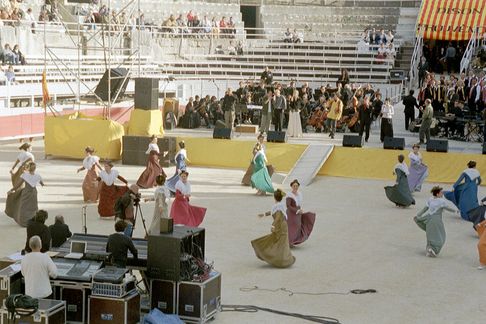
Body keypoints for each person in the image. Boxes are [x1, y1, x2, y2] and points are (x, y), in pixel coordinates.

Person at [251, 189, 295, 268]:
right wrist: (264, 214)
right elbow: (272, 212)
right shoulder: (280, 205)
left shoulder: (278, 206)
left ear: (274, 198)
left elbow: (277, 217)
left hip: (280, 226)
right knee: (282, 243)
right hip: (283, 225)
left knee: (279, 242)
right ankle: (284, 260)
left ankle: (282, 260)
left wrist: (273, 225)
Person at [414, 186, 457, 257]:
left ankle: (429, 249)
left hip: (429, 219)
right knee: (440, 235)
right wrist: (456, 211)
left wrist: (418, 215)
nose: (442, 194)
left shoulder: (430, 199)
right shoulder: (441, 201)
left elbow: (425, 209)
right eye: (441, 193)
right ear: (437, 194)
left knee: (430, 235)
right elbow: (448, 208)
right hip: (437, 221)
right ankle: (434, 249)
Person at [6, 162, 44, 227]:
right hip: (34, 192)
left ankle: (24, 222)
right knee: (33, 207)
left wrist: (12, 190)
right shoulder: (38, 175)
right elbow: (41, 183)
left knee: (23, 207)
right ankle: (34, 221)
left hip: (26, 192)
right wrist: (42, 184)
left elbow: (18, 184)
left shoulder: (25, 175)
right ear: (35, 168)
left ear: (28, 168)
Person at [286, 179, 316, 246]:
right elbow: (288, 206)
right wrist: (296, 210)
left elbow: (299, 204)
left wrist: (300, 210)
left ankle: (293, 241)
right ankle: (290, 241)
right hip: (291, 214)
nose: (295, 187)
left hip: (298, 214)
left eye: (296, 186)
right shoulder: (289, 195)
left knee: (298, 226)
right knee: (291, 227)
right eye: (294, 186)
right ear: (291, 186)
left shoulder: (299, 194)